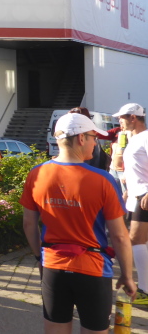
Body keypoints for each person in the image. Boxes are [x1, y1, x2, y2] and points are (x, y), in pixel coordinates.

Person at [21, 112, 136, 333]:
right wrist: (127, 275)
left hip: (53, 266)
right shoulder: (103, 180)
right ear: (81, 138)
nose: (96, 143)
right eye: (94, 137)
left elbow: (29, 224)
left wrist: (39, 257)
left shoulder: (36, 173)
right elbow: (120, 235)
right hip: (93, 269)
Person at [114, 103, 148, 304]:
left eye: (122, 117)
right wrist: (127, 191)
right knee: (141, 242)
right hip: (135, 195)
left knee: (135, 240)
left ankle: (144, 290)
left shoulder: (146, 137)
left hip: (144, 196)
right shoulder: (132, 139)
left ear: (133, 117)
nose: (119, 121)